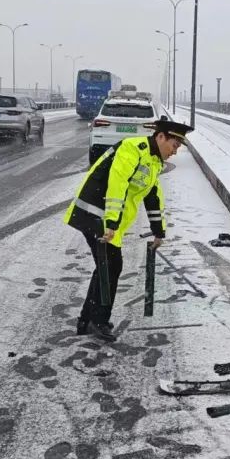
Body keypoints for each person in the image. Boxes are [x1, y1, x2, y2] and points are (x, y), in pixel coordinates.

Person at [64, 117, 192, 340]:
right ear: (160, 137)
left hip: (104, 218)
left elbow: (153, 195)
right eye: (174, 145)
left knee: (107, 267)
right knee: (111, 266)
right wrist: (111, 224)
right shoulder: (132, 149)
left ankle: (87, 320)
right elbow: (117, 183)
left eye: (178, 147)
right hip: (94, 215)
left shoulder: (153, 161)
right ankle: (97, 320)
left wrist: (159, 231)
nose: (175, 151)